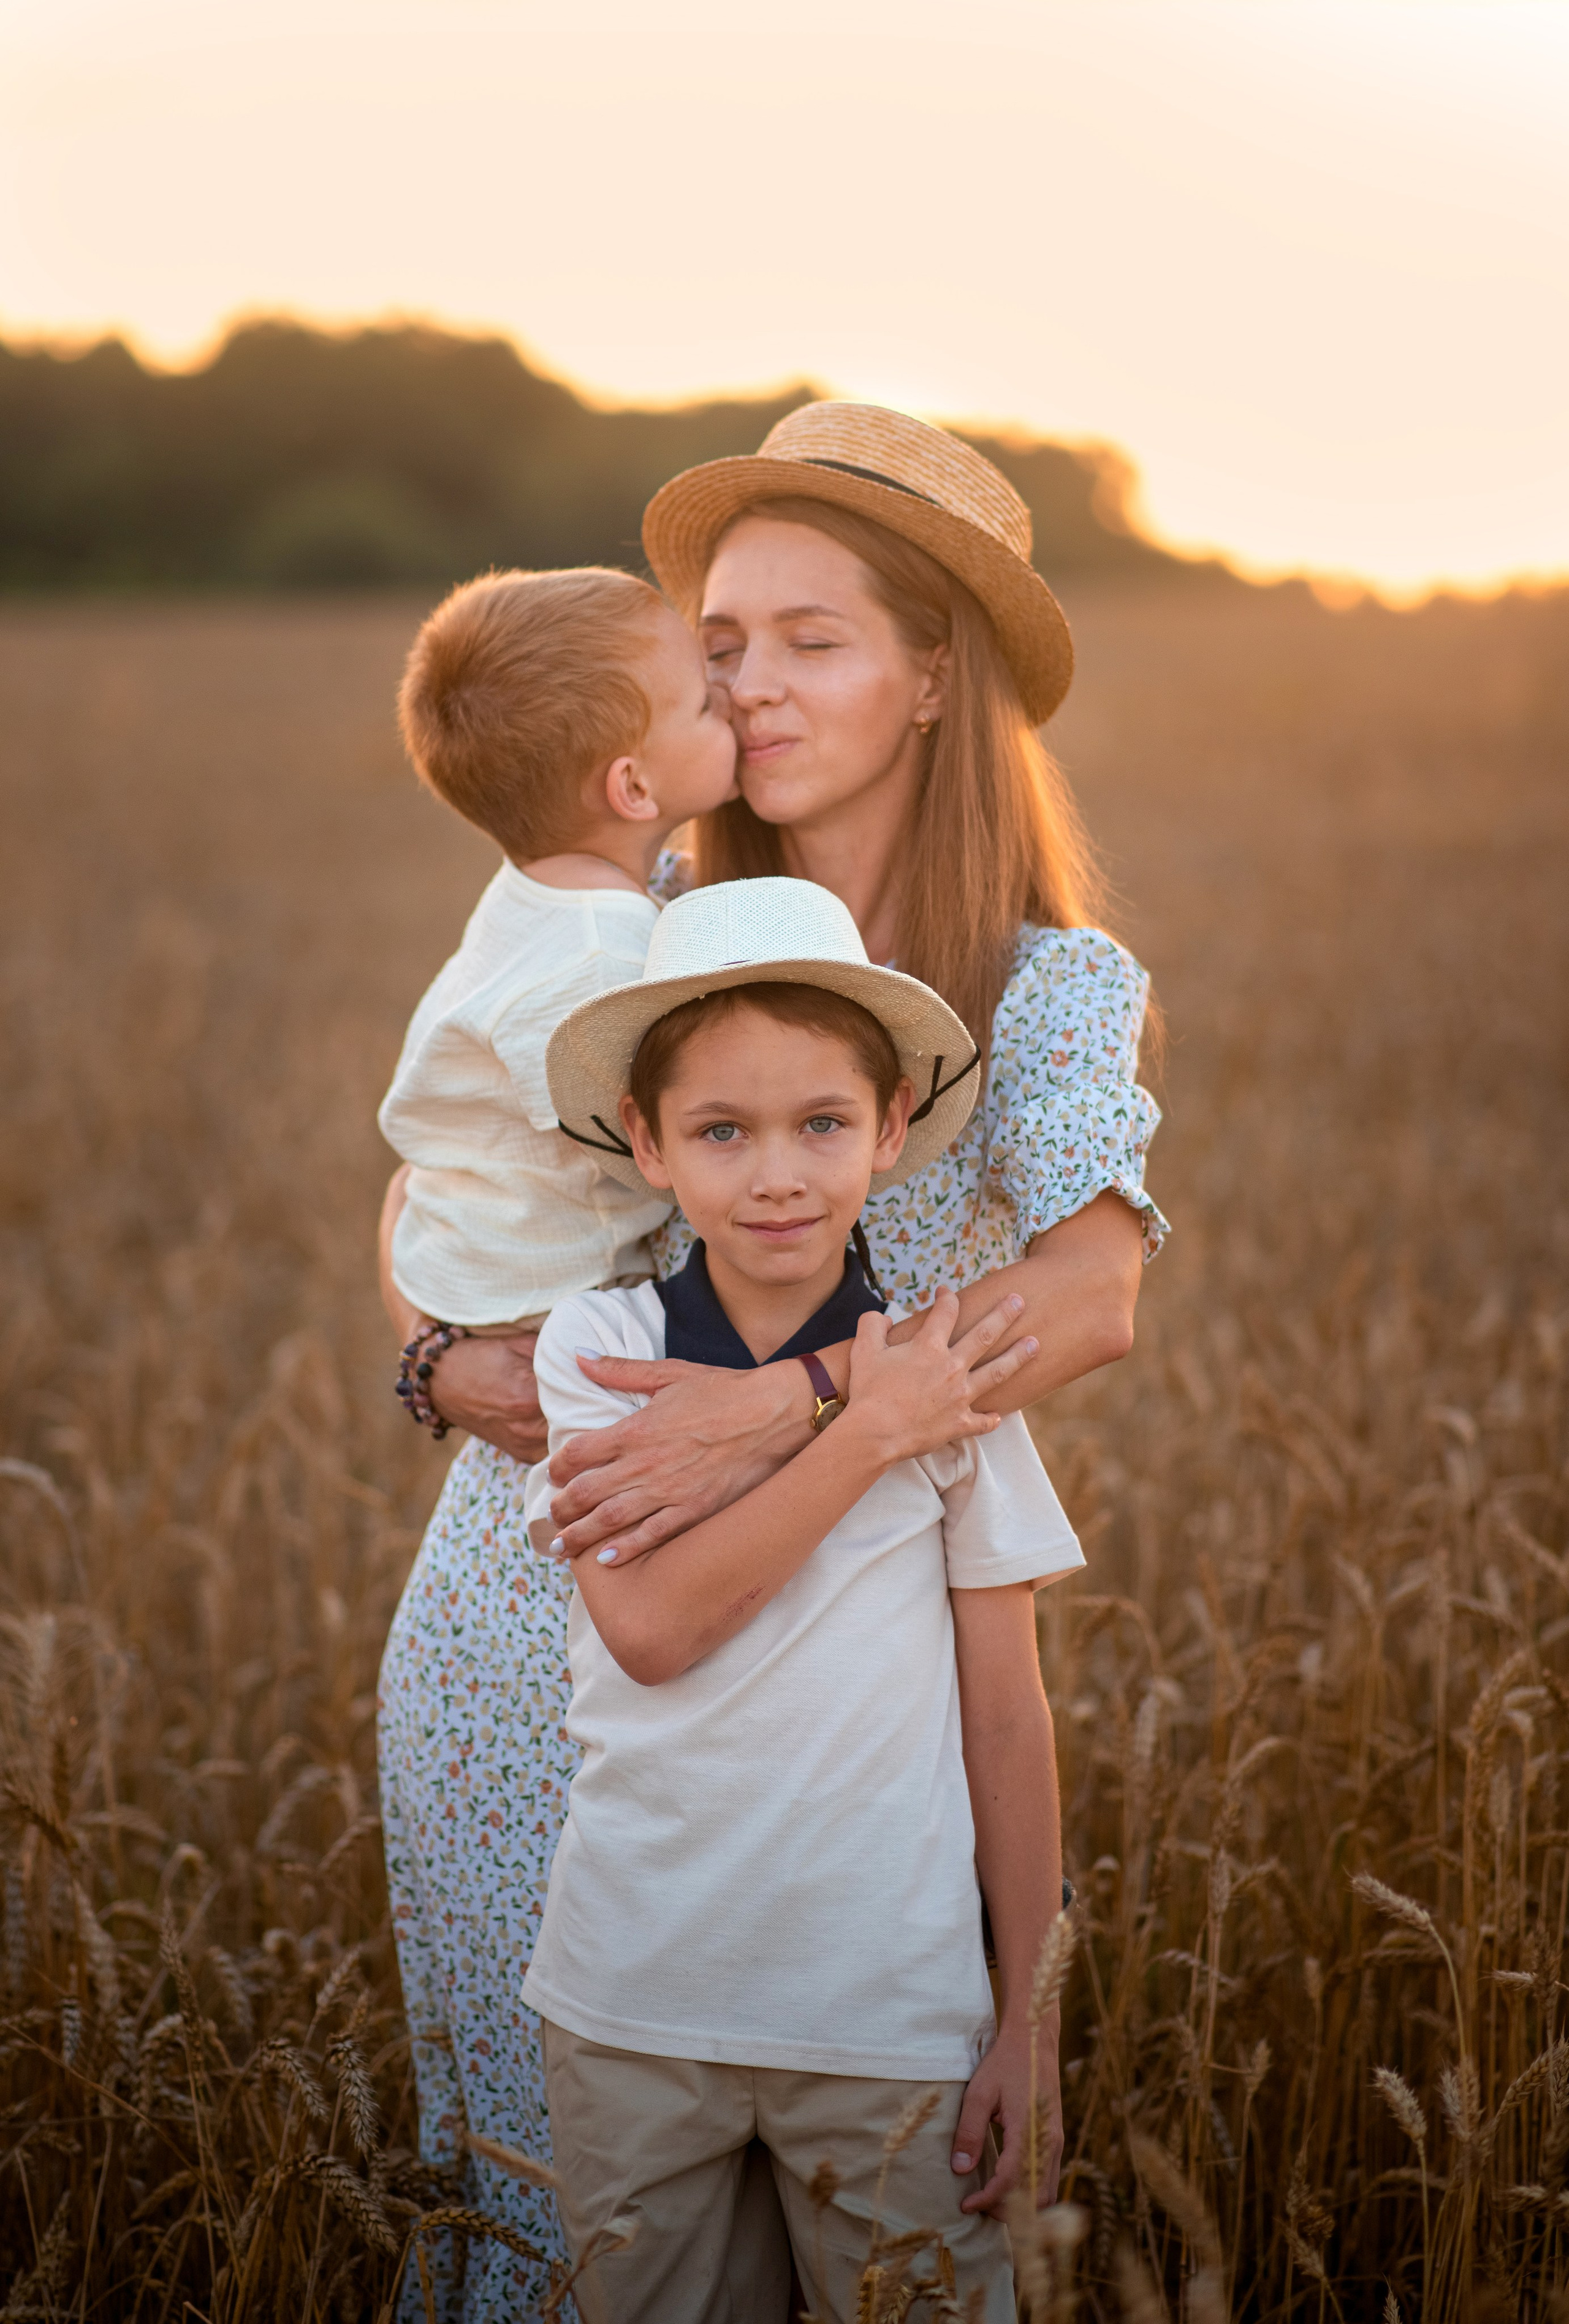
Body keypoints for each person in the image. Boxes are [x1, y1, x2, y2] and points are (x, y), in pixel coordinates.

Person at [377, 403, 1168, 2319]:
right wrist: (436, 1370)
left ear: (929, 677)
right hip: (536, 1607)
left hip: (854, 1668)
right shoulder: (629, 919)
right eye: (723, 645)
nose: (755, 681)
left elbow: (1092, 1294)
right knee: (555, 2246)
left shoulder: (1043, 979)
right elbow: (427, 1203)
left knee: (882, 2233)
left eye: (816, 638)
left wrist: (793, 1400)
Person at [522, 876, 1084, 2322]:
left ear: (890, 1128)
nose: (776, 1174)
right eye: (720, 1131)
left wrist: (1030, 2018)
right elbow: (650, 1632)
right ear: (646, 1143)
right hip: (637, 2000)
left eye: (821, 1125)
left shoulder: (947, 1367)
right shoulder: (607, 1349)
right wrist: (871, 1428)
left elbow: (1006, 1715)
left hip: (890, 2014)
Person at [374, 562, 736, 2307]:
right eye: (706, 691)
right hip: (557, 1505)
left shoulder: (545, 902)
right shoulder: (620, 959)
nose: (734, 707)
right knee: (572, 2164)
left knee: (539, 2153)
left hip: (520, 1414)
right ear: (630, 784)